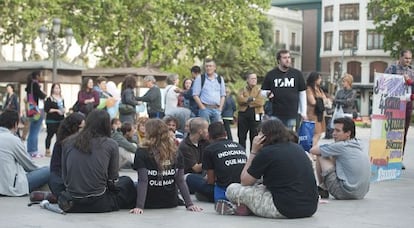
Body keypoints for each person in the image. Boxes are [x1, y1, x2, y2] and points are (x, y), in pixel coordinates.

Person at [221, 118, 318, 218]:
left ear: (263, 137)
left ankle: (244, 207)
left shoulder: (267, 152)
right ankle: (247, 207)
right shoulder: (297, 148)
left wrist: (254, 151)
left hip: (284, 209)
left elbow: (245, 181)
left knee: (232, 189)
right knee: (260, 186)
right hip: (310, 208)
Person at [60, 110, 136, 213]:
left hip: (72, 201)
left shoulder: (68, 142)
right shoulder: (110, 144)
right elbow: (112, 179)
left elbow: (65, 176)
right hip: (99, 202)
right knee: (126, 182)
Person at [130, 119, 202, 214]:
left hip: (149, 202)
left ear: (149, 133)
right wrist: (189, 204)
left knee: (129, 183)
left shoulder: (142, 152)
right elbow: (180, 180)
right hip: (170, 201)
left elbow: (143, 181)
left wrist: (139, 207)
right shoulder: (176, 152)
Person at [310, 117, 370, 200]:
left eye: (338, 131)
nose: (333, 133)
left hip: (345, 193)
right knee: (332, 154)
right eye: (333, 130)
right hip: (361, 193)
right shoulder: (358, 144)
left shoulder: (341, 146)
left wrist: (314, 140)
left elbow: (313, 150)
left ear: (348, 133)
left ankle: (322, 189)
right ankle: (324, 187)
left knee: (321, 154)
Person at [187, 122, 247, 203]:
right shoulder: (239, 146)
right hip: (242, 188)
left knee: (189, 178)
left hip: (225, 189)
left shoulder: (210, 149)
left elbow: (210, 181)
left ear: (209, 136)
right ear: (225, 134)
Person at [0, 110, 50, 196]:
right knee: (49, 169)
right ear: (15, 124)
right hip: (10, 187)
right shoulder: (13, 139)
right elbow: (29, 166)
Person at [261, 49, 307, 130]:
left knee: (290, 138)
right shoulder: (271, 74)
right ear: (279, 60)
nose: (288, 60)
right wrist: (267, 93)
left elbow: (302, 93)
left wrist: (303, 112)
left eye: (289, 57)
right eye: (284, 58)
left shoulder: (297, 74)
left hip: (292, 113)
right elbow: (262, 92)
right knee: (275, 137)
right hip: (275, 114)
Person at [384, 50, 414, 169]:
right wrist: (398, 79)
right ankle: (387, 157)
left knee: (403, 133)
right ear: (400, 57)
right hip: (394, 104)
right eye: (406, 58)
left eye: (410, 58)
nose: (408, 61)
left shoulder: (412, 71)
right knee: (392, 131)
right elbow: (384, 83)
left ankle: (398, 159)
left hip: (407, 105)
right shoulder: (392, 68)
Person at [49, 112, 85, 197]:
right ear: (73, 128)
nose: (84, 131)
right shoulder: (62, 144)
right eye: (81, 128)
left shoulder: (86, 142)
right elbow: (55, 169)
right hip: (63, 180)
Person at [236, 72, 265, 150]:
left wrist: (247, 101)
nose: (254, 80)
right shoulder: (242, 90)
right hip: (243, 114)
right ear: (247, 80)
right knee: (241, 136)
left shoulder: (260, 90)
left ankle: (254, 155)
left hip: (255, 113)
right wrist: (251, 99)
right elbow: (239, 100)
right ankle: (242, 154)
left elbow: (260, 102)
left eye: (255, 78)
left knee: (254, 135)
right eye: (252, 78)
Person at [192, 59, 226, 123]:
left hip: (216, 109)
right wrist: (202, 107)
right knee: (203, 130)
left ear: (214, 67)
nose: (208, 68)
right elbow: (195, 95)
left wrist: (220, 108)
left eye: (210, 66)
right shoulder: (200, 78)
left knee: (216, 130)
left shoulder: (220, 79)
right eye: (207, 66)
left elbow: (223, 95)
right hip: (205, 109)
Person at [25, 71, 47, 157]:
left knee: (32, 130)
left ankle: (30, 150)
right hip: (37, 110)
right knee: (35, 131)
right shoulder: (35, 84)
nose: (41, 77)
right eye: (40, 75)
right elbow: (41, 96)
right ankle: (33, 151)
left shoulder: (29, 85)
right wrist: (44, 94)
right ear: (37, 76)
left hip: (31, 110)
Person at [306, 72, 328, 146]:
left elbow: (325, 99)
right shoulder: (309, 89)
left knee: (319, 133)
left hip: (319, 113)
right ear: (315, 79)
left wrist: (321, 101)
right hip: (312, 114)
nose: (320, 80)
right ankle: (312, 150)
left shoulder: (319, 89)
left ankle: (313, 149)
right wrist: (322, 101)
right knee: (316, 133)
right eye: (319, 78)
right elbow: (312, 101)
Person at [44, 83, 65, 157]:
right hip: (51, 120)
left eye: (58, 88)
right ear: (52, 89)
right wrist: (56, 110)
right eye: (55, 88)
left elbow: (63, 107)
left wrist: (63, 110)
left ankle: (58, 151)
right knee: (50, 135)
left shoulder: (61, 98)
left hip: (60, 120)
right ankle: (47, 150)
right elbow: (47, 109)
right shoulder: (49, 99)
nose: (57, 90)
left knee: (59, 136)